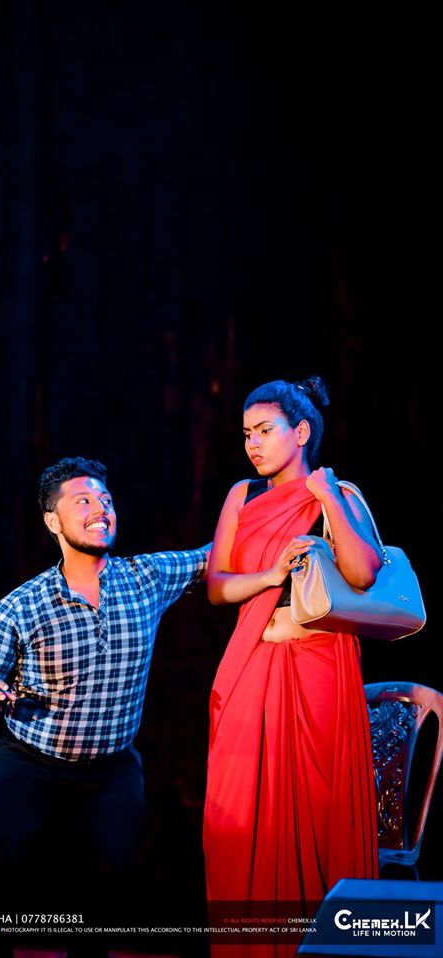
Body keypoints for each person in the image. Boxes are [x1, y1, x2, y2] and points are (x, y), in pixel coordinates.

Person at [0, 455, 210, 957]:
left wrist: (274, 504)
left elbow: (212, 556)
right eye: (84, 501)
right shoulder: (23, 604)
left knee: (109, 882)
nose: (101, 510)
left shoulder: (145, 578)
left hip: (110, 767)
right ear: (53, 522)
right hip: (30, 760)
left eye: (106, 500)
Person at [203, 377, 381, 957]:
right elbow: (217, 585)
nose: (252, 444)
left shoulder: (336, 491)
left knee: (318, 813)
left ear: (301, 432)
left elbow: (363, 574)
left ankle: (326, 946)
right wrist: (271, 575)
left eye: (265, 430)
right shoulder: (242, 495)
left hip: (320, 668)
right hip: (253, 665)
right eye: (246, 434)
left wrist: (326, 496)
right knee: (240, 815)